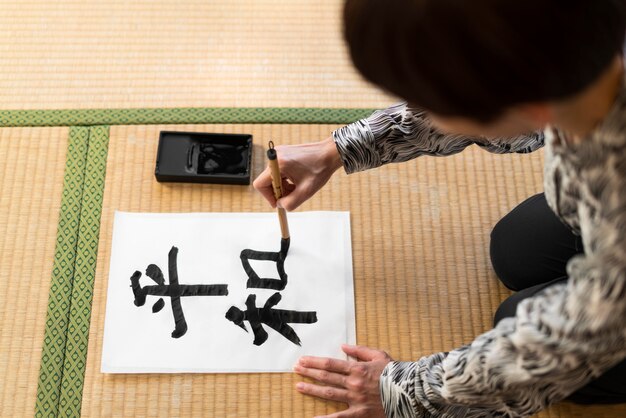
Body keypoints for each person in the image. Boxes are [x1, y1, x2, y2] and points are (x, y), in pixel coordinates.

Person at [254, 1, 626, 417]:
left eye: (433, 104)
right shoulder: (577, 54)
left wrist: (409, 395)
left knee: (519, 320)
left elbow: (579, 339)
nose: (422, 111)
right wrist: (337, 150)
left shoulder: (614, 189)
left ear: (532, 111)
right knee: (516, 249)